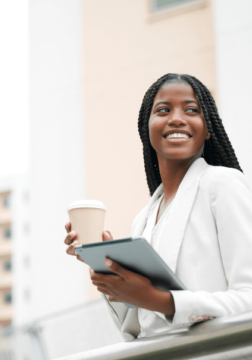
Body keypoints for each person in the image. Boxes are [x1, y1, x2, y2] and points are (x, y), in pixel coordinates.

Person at [64, 73, 252, 340]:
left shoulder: (223, 184)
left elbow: (249, 299)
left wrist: (162, 300)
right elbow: (141, 326)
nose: (176, 118)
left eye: (191, 110)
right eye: (163, 110)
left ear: (207, 127)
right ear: (146, 127)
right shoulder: (144, 218)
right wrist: (108, 271)